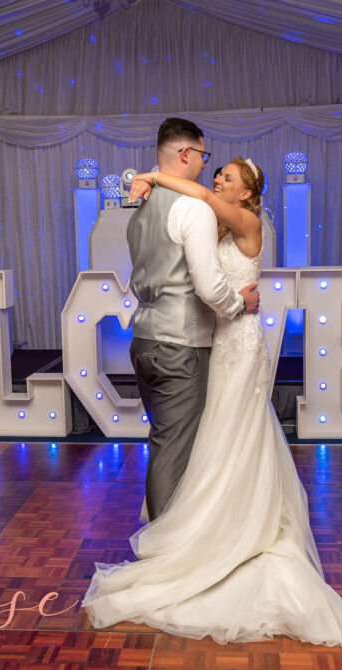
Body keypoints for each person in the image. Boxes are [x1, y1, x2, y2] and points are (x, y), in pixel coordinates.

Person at [83, 150, 342, 644]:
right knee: (217, 432)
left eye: (227, 177)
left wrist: (152, 176)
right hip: (215, 339)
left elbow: (203, 198)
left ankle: (236, 528)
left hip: (240, 340)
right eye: (217, 173)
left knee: (236, 428)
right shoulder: (214, 224)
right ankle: (212, 519)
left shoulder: (248, 220)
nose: (218, 180)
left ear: (247, 192)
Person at [120, 117, 259, 522]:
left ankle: (175, 536)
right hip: (181, 346)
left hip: (144, 341)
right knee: (172, 448)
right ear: (186, 153)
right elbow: (210, 287)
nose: (205, 166)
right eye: (203, 156)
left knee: (164, 442)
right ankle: (164, 551)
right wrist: (238, 305)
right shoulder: (193, 209)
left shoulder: (139, 213)